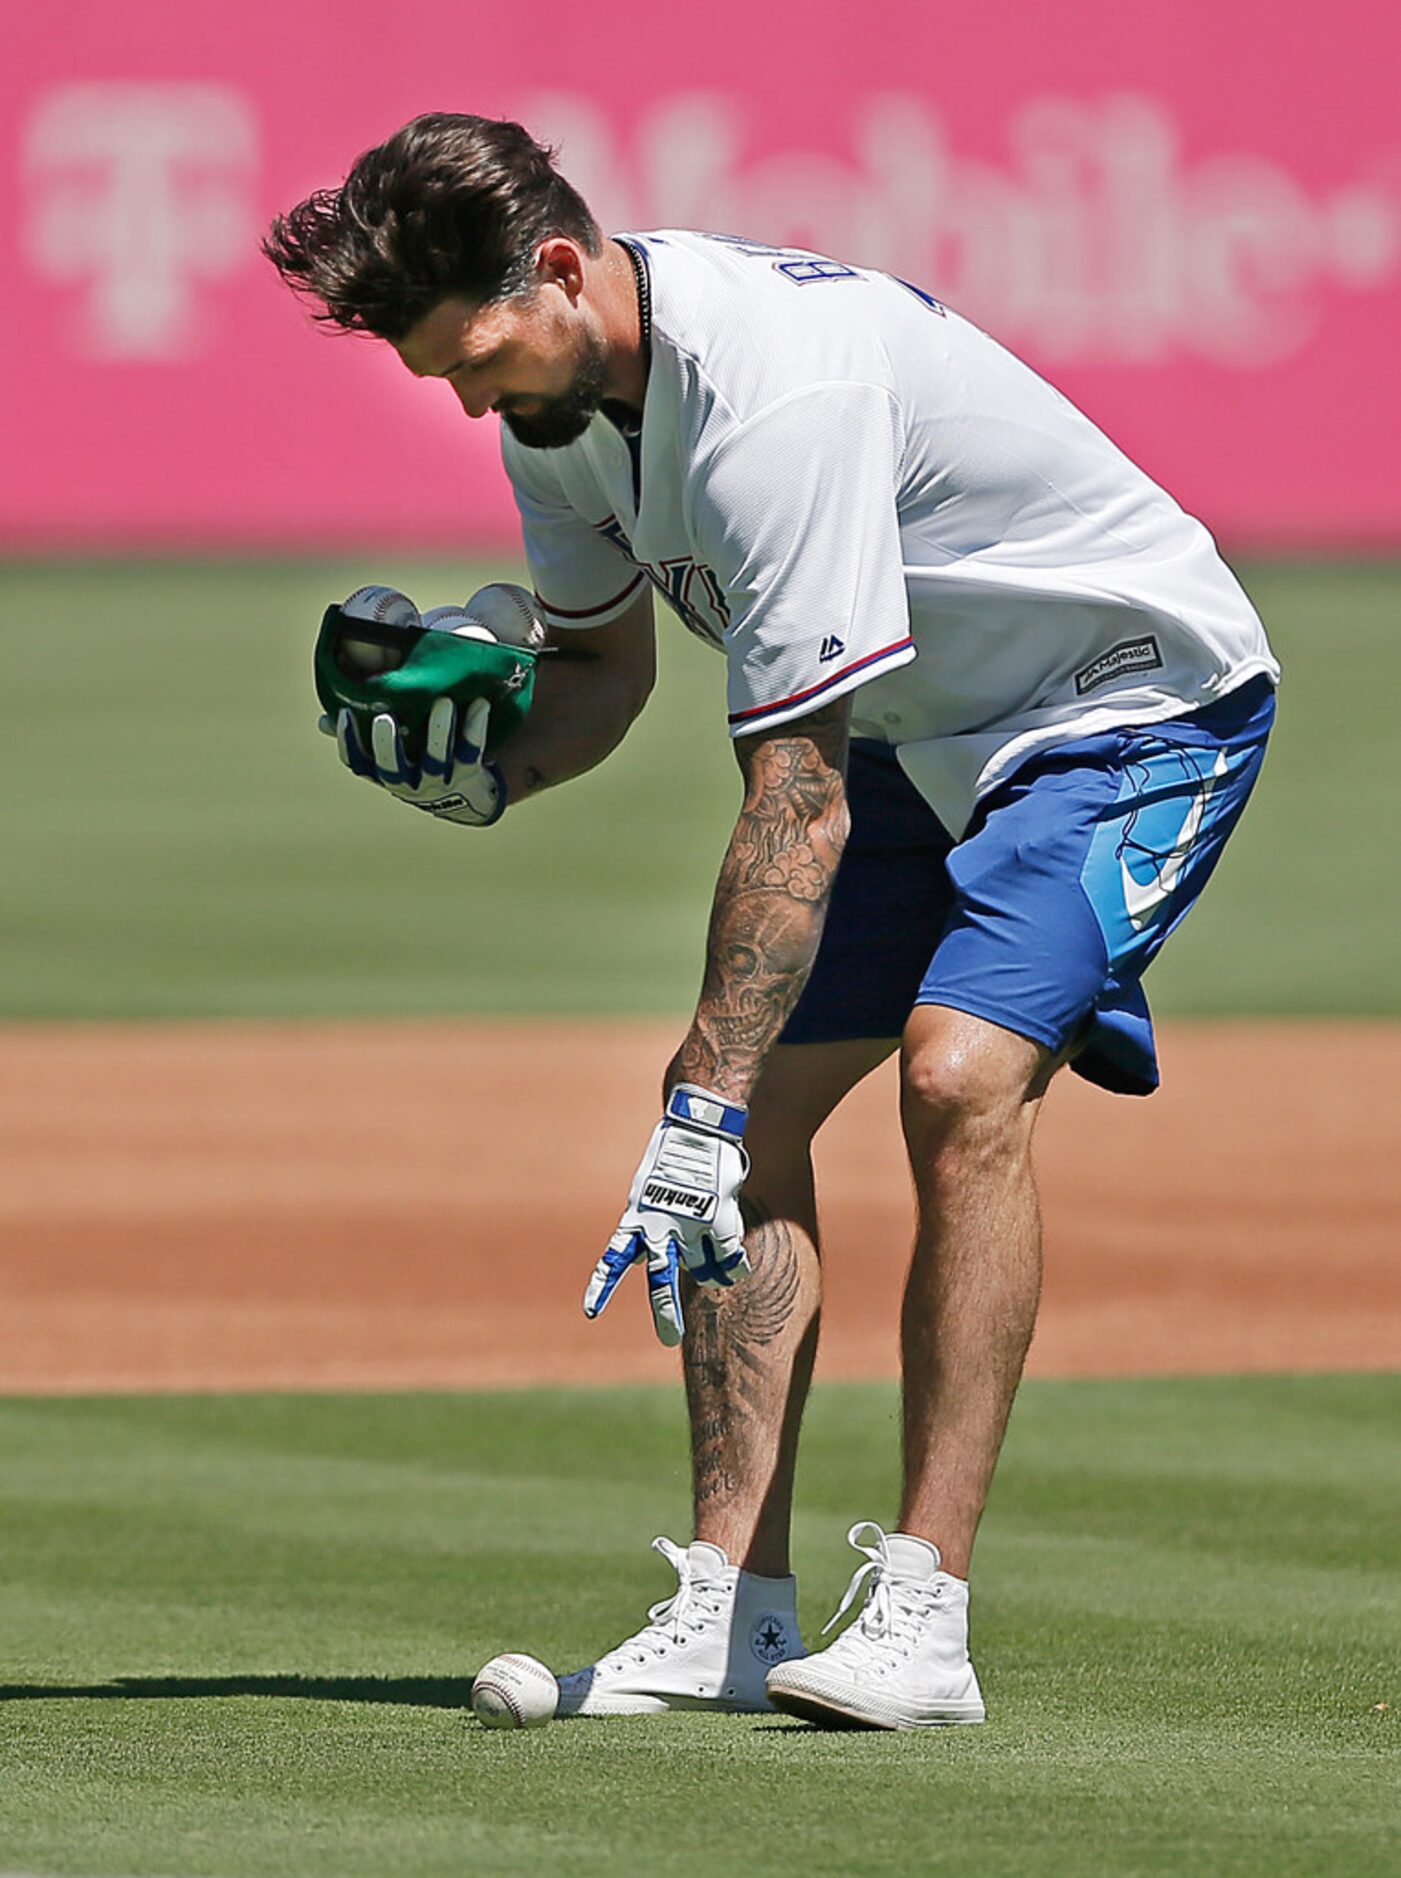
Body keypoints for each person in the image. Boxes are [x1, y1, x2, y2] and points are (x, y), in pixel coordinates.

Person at [264, 113, 1279, 1730]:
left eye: (475, 357)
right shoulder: (560, 408)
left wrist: (694, 1097)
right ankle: (732, 1609)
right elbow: (600, 674)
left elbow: (795, 802)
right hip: (905, 723)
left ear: (555, 265)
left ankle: (925, 1619)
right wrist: (489, 780)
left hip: (1123, 703)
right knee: (737, 1133)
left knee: (952, 1080)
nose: (467, 401)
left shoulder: (770, 400)